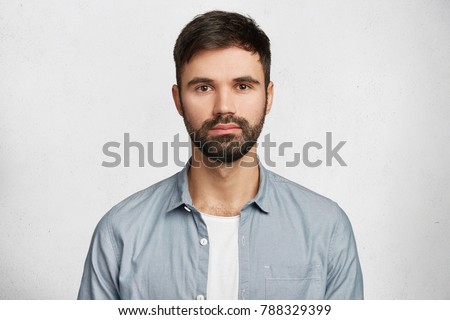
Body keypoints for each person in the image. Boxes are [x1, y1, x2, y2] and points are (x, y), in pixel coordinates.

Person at [78, 10, 363, 300]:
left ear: (269, 96)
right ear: (178, 100)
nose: (224, 107)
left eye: (242, 86)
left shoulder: (327, 229)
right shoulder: (120, 233)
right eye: (204, 87)